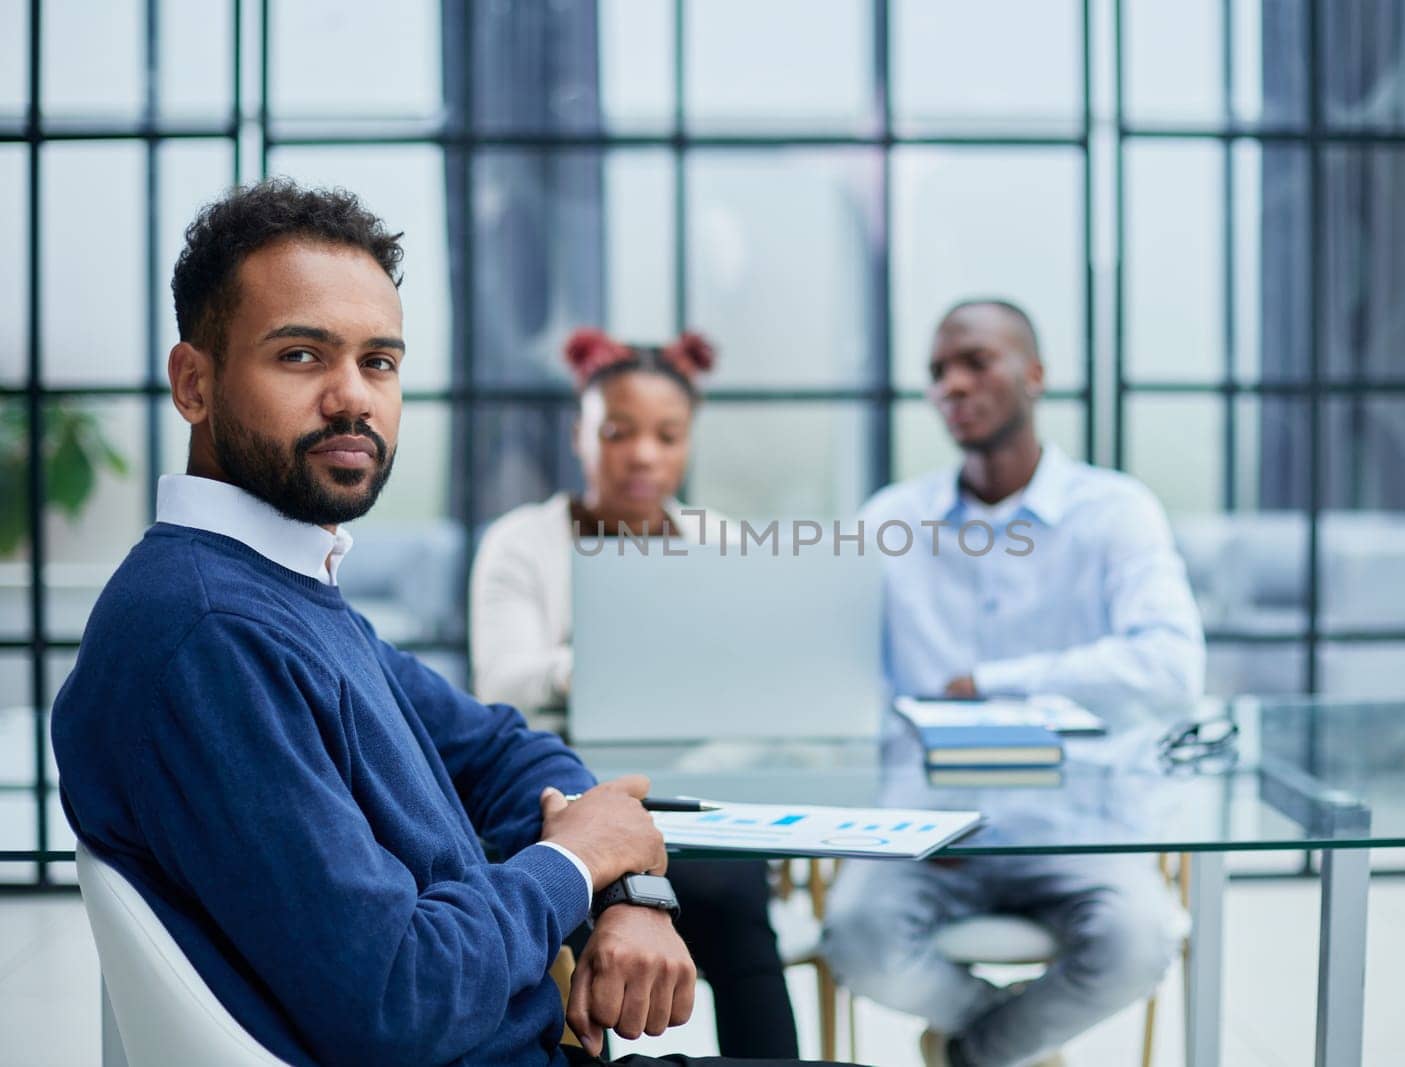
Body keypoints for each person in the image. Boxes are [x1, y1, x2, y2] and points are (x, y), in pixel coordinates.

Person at [51, 178, 842, 1067]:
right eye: (303, 356)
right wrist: (574, 866)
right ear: (194, 383)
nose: (353, 398)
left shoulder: (283, 590)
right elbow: (400, 995)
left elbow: (504, 747)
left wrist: (628, 887)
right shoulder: (208, 634)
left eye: (379, 362)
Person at [820, 299, 1206, 1067]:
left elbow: (1170, 666)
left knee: (1140, 940)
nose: (952, 385)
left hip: (1077, 823)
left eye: (975, 361)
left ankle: (971, 1053)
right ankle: (1009, 1044)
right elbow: (842, 687)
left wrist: (995, 684)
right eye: (937, 372)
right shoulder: (891, 520)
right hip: (931, 831)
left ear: (1034, 374)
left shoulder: (1116, 512)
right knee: (857, 937)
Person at [470, 328, 801, 1059]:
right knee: (589, 893)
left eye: (667, 435)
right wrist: (618, 663)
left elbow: (757, 690)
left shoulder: (718, 540)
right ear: (580, 435)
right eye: (619, 433)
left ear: (688, 441)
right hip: (565, 789)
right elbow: (505, 681)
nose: (644, 455)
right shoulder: (522, 542)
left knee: (736, 894)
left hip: (696, 790)